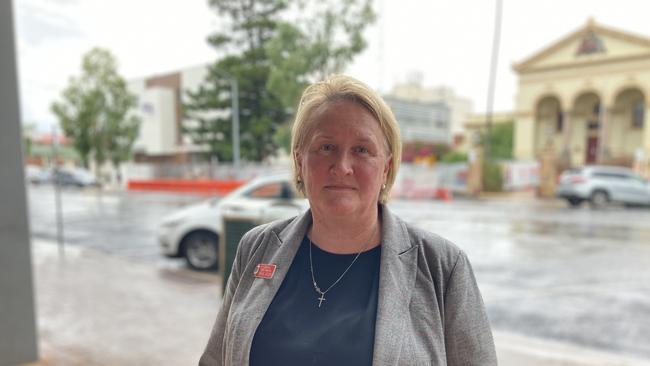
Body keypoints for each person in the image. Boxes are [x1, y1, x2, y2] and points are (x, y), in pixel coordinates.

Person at [199, 75, 497, 365]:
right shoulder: (257, 248)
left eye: (362, 150)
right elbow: (216, 359)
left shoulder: (442, 266)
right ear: (300, 161)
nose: (342, 167)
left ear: (386, 168)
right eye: (326, 147)